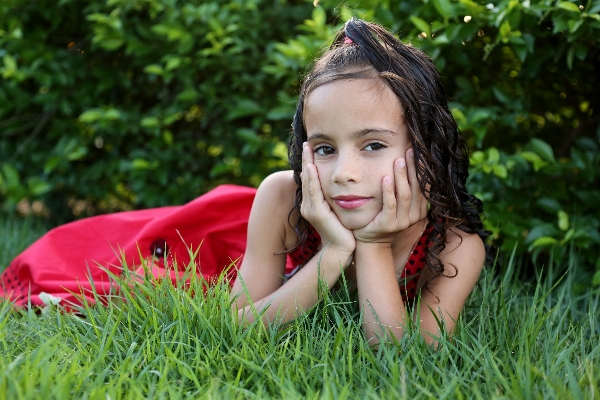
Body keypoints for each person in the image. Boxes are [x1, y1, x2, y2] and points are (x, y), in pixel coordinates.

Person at [1, 19, 486, 345]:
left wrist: (375, 246)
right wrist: (334, 253)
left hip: (272, 251)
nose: (344, 173)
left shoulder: (455, 245)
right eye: (324, 148)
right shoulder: (284, 195)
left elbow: (404, 357)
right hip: (235, 246)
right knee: (113, 259)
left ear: (426, 147)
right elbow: (238, 325)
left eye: (373, 145)